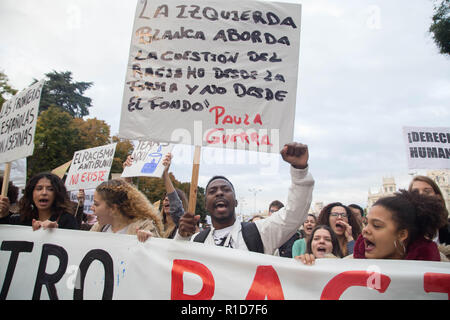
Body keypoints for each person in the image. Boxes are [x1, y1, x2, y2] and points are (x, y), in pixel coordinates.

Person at [174, 142, 314, 256]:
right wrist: (181, 237)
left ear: (236, 202)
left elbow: (293, 215)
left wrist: (299, 171)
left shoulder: (261, 233)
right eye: (212, 191)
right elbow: (172, 265)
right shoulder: (196, 241)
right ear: (205, 205)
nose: (219, 193)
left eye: (226, 189)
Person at [353, 190, 448, 261]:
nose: (365, 230)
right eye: (366, 223)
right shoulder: (347, 267)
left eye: (376, 225)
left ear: (402, 235)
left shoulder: (441, 267)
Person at [124, 152, 187, 240]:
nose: (166, 199)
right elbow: (135, 206)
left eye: (170, 198)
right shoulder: (153, 225)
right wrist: (128, 175)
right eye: (165, 198)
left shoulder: (182, 227)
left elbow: (176, 208)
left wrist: (165, 174)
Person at [0, 172, 78, 230]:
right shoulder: (19, 219)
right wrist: (3, 215)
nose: (44, 193)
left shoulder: (67, 220)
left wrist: (56, 232)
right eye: (39, 189)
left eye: (50, 189)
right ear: (31, 193)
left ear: (57, 194)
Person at [90, 178, 163, 237]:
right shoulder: (97, 228)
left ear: (113, 208)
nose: (92, 208)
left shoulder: (144, 228)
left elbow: (155, 252)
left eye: (96, 204)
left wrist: (149, 239)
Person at [408, 175, 450, 245]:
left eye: (427, 191)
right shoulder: (405, 231)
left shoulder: (447, 228)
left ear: (438, 196)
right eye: (415, 192)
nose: (421, 194)